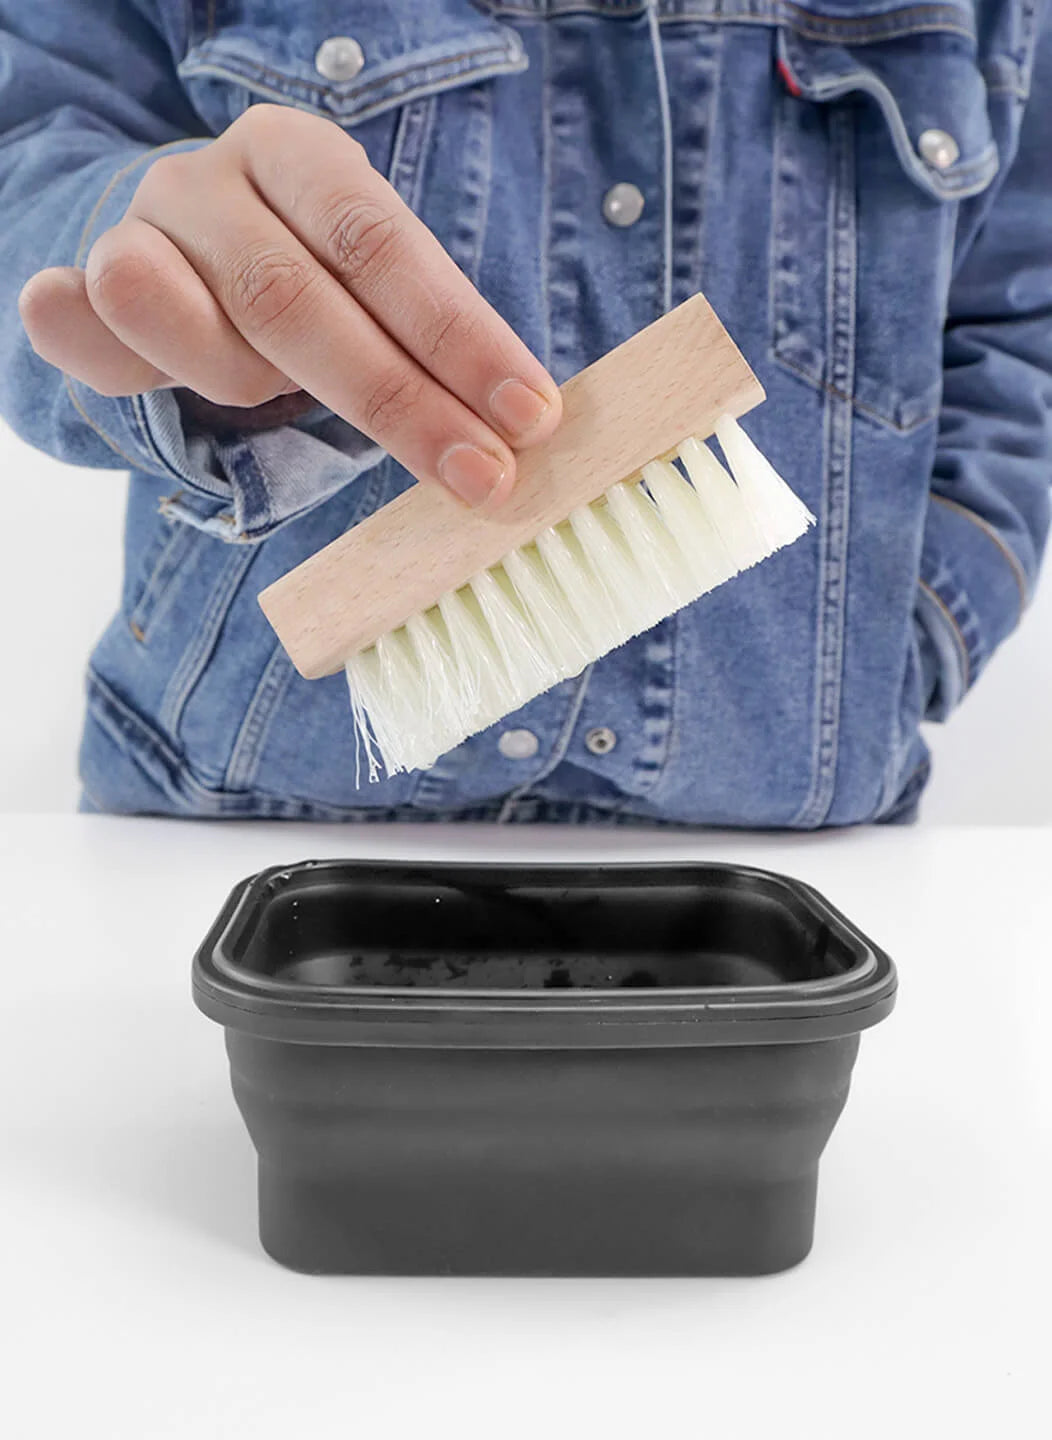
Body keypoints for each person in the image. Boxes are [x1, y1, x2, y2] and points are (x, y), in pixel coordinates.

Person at [1, 1, 1049, 828]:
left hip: (801, 862)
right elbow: (33, 152)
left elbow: (1019, 307)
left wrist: (918, 627)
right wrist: (155, 262)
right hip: (222, 840)